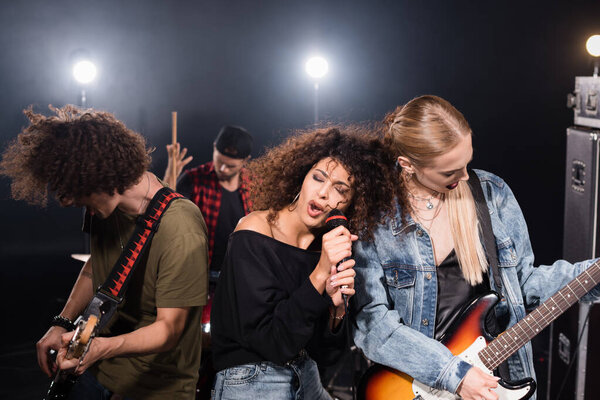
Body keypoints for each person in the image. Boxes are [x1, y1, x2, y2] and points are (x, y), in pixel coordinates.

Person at [351, 95, 600, 400]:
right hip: (415, 387)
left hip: (498, 380)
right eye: (449, 172)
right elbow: (371, 323)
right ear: (407, 164)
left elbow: (525, 285)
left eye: (467, 163)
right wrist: (453, 375)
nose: (465, 176)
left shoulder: (491, 194)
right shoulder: (376, 218)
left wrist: (593, 274)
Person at [0, 105, 208, 400]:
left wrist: (100, 348)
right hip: (95, 372)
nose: (69, 201)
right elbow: (96, 266)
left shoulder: (180, 227)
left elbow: (169, 329)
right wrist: (60, 322)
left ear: (103, 175)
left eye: (77, 192)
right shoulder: (102, 208)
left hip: (156, 386)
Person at [210, 127, 400, 399]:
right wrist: (321, 273)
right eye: (318, 178)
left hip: (306, 375)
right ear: (302, 176)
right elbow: (272, 343)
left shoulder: (329, 248)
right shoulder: (254, 231)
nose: (323, 193)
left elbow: (329, 357)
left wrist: (336, 310)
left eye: (340, 189)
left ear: (352, 204)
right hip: (251, 377)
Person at [164, 125, 253, 274]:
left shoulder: (256, 185)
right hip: (199, 271)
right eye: (219, 161)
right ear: (214, 148)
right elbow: (167, 216)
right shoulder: (193, 179)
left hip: (241, 273)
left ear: (245, 160)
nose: (223, 169)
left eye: (230, 166)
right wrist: (169, 176)